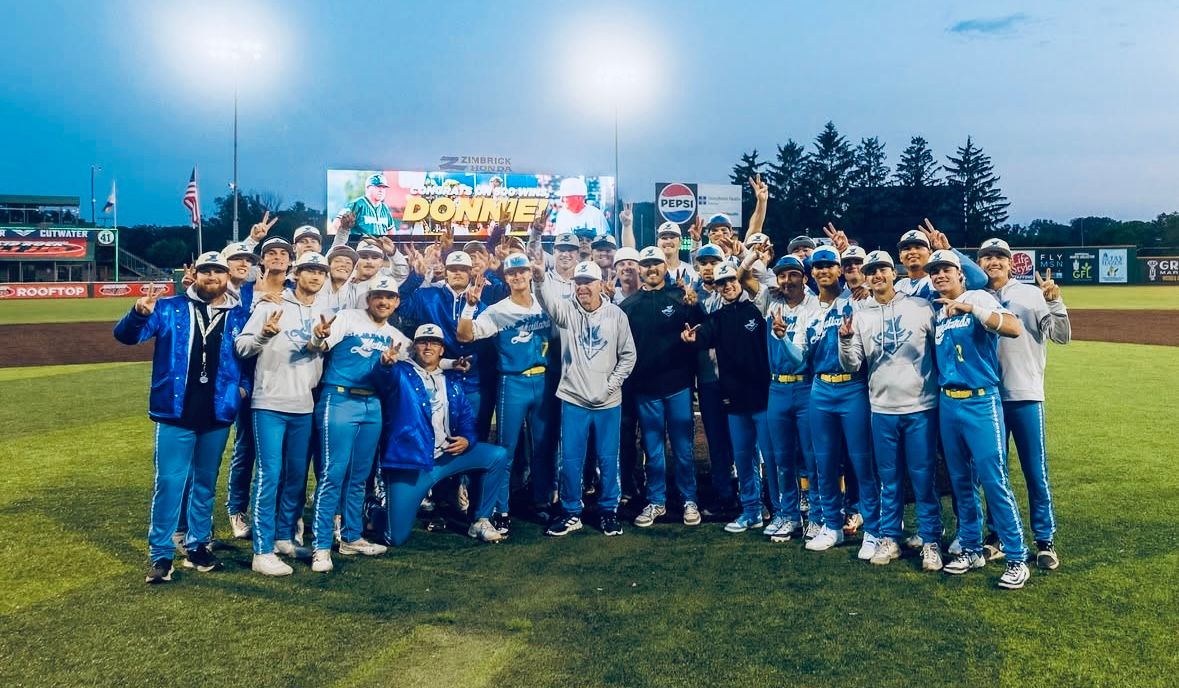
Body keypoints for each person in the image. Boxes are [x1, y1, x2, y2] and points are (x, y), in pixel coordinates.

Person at [114, 251, 249, 584]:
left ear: (227, 277)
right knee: (169, 484)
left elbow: (248, 359)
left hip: (217, 413)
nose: (212, 277)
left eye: (218, 271)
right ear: (195, 274)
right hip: (175, 412)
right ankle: (161, 554)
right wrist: (137, 313)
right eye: (206, 271)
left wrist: (242, 390)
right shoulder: (169, 308)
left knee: (205, 484)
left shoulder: (239, 315)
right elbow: (126, 336)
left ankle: (197, 545)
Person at [926, 249, 1031, 590]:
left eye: (946, 269)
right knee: (961, 482)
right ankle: (971, 548)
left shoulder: (978, 297)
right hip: (949, 404)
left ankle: (1017, 557)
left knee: (994, 479)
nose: (939, 275)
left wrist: (973, 309)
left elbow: (1014, 328)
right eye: (934, 271)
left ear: (960, 273)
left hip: (981, 401)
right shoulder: (939, 311)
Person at [837, 250, 944, 570]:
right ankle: (889, 537)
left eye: (882, 269)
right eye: (871, 271)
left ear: (893, 273)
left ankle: (930, 539)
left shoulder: (920, 307)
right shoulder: (860, 314)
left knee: (923, 477)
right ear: (866, 278)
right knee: (889, 478)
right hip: (882, 408)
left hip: (921, 407)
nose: (877, 275)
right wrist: (845, 341)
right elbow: (852, 364)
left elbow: (939, 350)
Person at [776, 246, 879, 554]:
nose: (823, 271)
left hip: (853, 386)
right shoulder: (807, 310)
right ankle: (832, 526)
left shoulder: (856, 300)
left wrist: (863, 286)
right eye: (818, 266)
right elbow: (798, 359)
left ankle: (873, 530)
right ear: (812, 273)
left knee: (862, 461)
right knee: (825, 462)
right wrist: (782, 338)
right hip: (820, 388)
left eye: (829, 265)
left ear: (839, 270)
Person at [306, 277, 411, 572]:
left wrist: (452, 364)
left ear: (396, 302)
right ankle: (321, 545)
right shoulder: (348, 318)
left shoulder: (396, 336)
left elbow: (419, 362)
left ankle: (351, 537)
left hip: (372, 404)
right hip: (339, 397)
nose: (383, 302)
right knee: (333, 474)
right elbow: (317, 345)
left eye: (389, 297)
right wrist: (318, 337)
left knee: (358, 477)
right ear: (369, 298)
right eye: (378, 296)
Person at [978, 238, 1071, 570]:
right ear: (980, 263)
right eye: (987, 257)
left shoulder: (1031, 294)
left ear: (1010, 263)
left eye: (1000, 257)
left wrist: (1055, 302)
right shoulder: (976, 295)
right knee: (995, 473)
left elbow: (1061, 336)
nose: (993, 262)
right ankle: (997, 537)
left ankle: (1044, 540)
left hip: (1025, 393)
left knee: (1035, 472)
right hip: (987, 398)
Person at [373, 324, 508, 550]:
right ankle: (372, 509)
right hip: (412, 464)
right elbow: (383, 378)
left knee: (497, 455)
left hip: (446, 456)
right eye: (423, 342)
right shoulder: (400, 372)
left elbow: (466, 418)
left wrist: (467, 439)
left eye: (434, 343)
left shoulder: (451, 381)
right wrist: (385, 366)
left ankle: (480, 520)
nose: (428, 346)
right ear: (415, 347)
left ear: (442, 350)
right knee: (395, 537)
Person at [235, 252, 329, 576]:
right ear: (296, 273)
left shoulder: (325, 311)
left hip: (304, 404)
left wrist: (318, 341)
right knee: (269, 474)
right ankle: (261, 551)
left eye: (320, 272)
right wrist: (264, 334)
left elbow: (319, 349)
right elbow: (241, 346)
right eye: (309, 270)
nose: (315, 276)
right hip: (269, 402)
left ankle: (284, 537)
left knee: (296, 476)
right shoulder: (269, 305)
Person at [533, 259, 636, 537]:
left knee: (608, 459)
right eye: (578, 283)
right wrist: (539, 279)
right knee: (570, 459)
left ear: (600, 284)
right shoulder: (567, 311)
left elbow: (629, 356)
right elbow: (546, 301)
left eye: (588, 282)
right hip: (574, 399)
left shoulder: (616, 315)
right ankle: (570, 512)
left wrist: (611, 385)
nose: (582, 288)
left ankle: (608, 511)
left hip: (608, 402)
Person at [456, 253, 554, 535]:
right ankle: (501, 508)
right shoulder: (498, 310)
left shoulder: (545, 302)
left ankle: (541, 501)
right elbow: (465, 335)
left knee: (543, 446)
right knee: (506, 449)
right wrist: (469, 307)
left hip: (543, 380)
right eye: (512, 273)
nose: (518, 276)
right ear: (506, 277)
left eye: (522, 271)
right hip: (513, 381)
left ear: (530, 273)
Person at [681, 262, 771, 534]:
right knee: (743, 458)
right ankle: (752, 510)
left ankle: (781, 511)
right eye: (722, 283)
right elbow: (701, 336)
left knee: (771, 457)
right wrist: (691, 337)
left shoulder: (758, 307)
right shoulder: (717, 318)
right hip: (735, 399)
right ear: (717, 288)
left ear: (739, 281)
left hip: (763, 395)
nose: (728, 285)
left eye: (732, 280)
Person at [620, 247, 703, 528]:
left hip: (678, 385)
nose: (651, 268)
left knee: (683, 449)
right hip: (645, 390)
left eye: (656, 263)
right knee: (653, 451)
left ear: (665, 267)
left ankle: (689, 499)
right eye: (646, 264)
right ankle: (656, 501)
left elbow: (704, 330)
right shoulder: (628, 306)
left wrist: (695, 304)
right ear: (639, 269)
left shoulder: (682, 298)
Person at [741, 254, 816, 542]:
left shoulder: (814, 305)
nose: (786, 280)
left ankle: (816, 514)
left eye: (793, 274)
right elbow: (742, 278)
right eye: (782, 275)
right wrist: (752, 256)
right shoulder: (771, 301)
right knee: (782, 457)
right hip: (777, 388)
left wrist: (783, 337)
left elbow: (801, 359)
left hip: (805, 386)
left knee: (810, 456)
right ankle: (789, 514)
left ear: (804, 278)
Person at [691, 244, 737, 514]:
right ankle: (724, 494)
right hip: (707, 377)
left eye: (713, 261)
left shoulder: (733, 290)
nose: (708, 267)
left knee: (743, 439)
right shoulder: (690, 294)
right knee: (717, 440)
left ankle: (750, 494)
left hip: (735, 378)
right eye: (703, 262)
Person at [895, 220, 988, 299]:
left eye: (918, 247)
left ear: (930, 252)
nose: (912, 252)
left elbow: (980, 280)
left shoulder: (942, 279)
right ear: (900, 257)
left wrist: (948, 249)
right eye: (907, 249)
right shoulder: (899, 286)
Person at [331, 173, 396, 244]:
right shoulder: (356, 204)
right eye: (377, 187)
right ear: (367, 188)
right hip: (360, 248)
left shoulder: (385, 208)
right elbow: (336, 225)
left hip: (379, 249)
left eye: (384, 187)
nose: (381, 190)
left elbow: (392, 232)